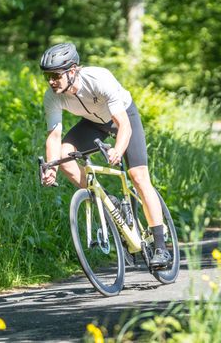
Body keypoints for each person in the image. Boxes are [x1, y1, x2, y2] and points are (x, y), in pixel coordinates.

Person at [38, 42, 172, 267]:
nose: (51, 81)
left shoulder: (99, 79)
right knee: (64, 156)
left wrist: (118, 150)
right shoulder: (52, 96)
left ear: (73, 71)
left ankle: (160, 247)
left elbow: (124, 126)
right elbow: (54, 136)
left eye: (55, 75)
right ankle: (107, 200)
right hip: (92, 123)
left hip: (122, 117)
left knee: (138, 176)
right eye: (47, 76)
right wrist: (50, 167)